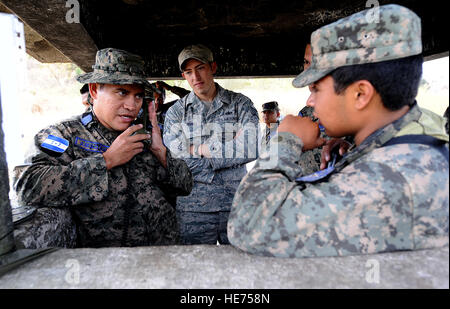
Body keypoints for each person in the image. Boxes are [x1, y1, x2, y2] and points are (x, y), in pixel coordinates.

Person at [227, 4, 449, 258]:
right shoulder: (412, 140)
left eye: (316, 89)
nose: (310, 102)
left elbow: (251, 225)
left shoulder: (396, 176)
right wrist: (356, 147)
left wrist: (285, 142)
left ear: (360, 94)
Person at [14, 48, 193, 248]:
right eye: (122, 92)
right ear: (93, 90)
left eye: (138, 96)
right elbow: (27, 185)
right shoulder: (65, 135)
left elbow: (185, 185)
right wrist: (107, 160)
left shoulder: (146, 133)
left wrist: (161, 153)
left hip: (163, 256)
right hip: (106, 265)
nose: (131, 105)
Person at [163, 44, 260, 245]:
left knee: (241, 266)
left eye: (200, 68)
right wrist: (231, 150)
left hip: (235, 204)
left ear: (213, 67)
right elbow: (174, 157)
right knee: (193, 268)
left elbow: (250, 147)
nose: (195, 77)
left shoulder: (239, 104)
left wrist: (198, 149)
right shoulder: (176, 112)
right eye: (188, 72)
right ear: (183, 76)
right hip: (193, 207)